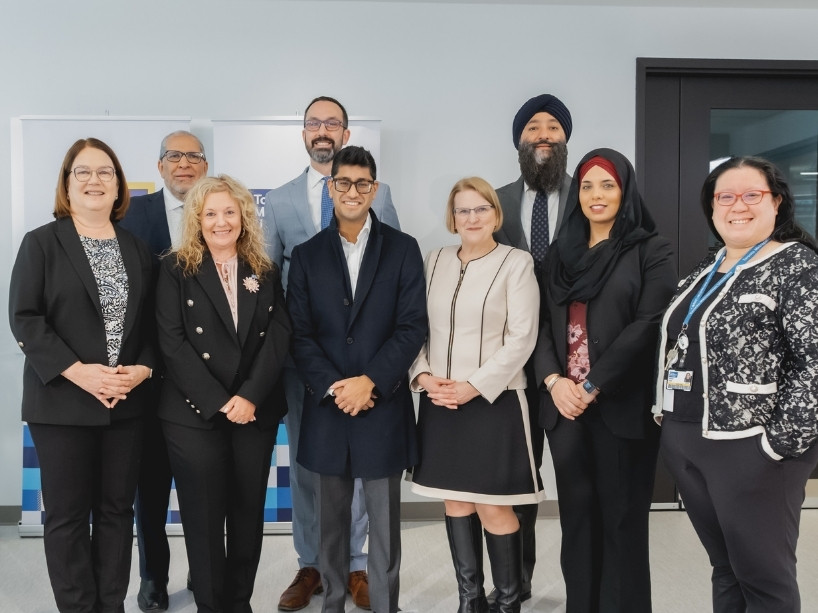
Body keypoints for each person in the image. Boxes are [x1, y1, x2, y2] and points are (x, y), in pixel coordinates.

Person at [653, 156, 818, 612]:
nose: (737, 206)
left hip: (751, 449)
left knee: (764, 578)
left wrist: (777, 446)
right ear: (711, 208)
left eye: (752, 195)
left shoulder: (798, 266)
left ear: (777, 202)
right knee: (726, 568)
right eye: (725, 196)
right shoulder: (707, 269)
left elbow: (815, 365)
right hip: (688, 440)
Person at [264, 95, 400, 611]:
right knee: (310, 468)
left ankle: (358, 565)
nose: (323, 130)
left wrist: (374, 370)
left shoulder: (380, 195)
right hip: (308, 366)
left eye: (333, 123)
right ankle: (312, 564)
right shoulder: (278, 201)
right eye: (314, 123)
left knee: (363, 468)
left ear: (345, 134)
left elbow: (391, 272)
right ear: (303, 133)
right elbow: (272, 282)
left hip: (367, 365)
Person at [9, 137, 155, 612]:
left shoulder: (138, 249)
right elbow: (25, 318)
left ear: (119, 188)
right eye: (83, 172)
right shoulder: (41, 243)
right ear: (67, 185)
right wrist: (81, 374)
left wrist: (140, 370)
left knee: (117, 513)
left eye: (105, 173)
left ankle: (109, 606)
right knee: (68, 517)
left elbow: (158, 325)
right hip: (62, 404)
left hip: (126, 404)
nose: (94, 181)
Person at [534, 149, 676, 612]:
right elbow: (537, 326)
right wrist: (555, 380)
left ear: (625, 190)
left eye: (608, 184)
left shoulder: (650, 250)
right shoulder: (559, 254)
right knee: (577, 521)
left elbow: (649, 324)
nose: (597, 195)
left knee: (622, 523)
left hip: (620, 407)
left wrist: (593, 385)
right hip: (566, 410)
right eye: (588, 185)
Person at [286, 145, 426, 613]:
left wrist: (371, 381)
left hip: (381, 404)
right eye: (343, 182)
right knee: (330, 524)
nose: (352, 191)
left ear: (374, 189)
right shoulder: (306, 257)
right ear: (331, 187)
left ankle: (386, 606)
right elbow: (300, 334)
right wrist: (335, 387)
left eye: (363, 183)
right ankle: (333, 605)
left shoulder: (403, 249)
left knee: (384, 525)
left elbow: (412, 326)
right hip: (328, 408)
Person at [155, 174, 291, 612]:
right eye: (210, 213)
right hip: (194, 412)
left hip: (254, 408)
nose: (220, 221)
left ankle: (239, 603)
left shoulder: (264, 269)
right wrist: (218, 401)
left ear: (244, 216)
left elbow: (279, 335)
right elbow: (171, 342)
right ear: (197, 218)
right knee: (205, 517)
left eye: (229, 212)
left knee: (248, 513)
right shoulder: (175, 269)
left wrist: (249, 395)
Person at [409, 177, 544, 613]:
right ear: (452, 218)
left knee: (494, 508)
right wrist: (424, 378)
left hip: (494, 401)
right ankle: (471, 602)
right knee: (456, 502)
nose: (472, 218)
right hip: (439, 401)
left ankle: (506, 603)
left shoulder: (517, 263)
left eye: (480, 209)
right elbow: (416, 329)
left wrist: (472, 387)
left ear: (495, 215)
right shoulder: (434, 261)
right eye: (463, 210)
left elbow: (522, 339)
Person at [120, 129, 209, 612]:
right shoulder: (132, 216)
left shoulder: (219, 214)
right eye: (174, 156)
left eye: (194, 157)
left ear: (205, 166)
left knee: (204, 486)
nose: (184, 165)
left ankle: (203, 569)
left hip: (209, 378)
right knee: (149, 490)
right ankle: (153, 576)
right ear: (159, 167)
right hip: (149, 378)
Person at [492, 93, 573, 603]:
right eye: (532, 128)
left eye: (553, 127)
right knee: (514, 484)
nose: (543, 134)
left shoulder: (590, 195)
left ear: (566, 138)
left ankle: (583, 583)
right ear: (518, 140)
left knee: (576, 483)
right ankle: (515, 585)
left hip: (569, 368)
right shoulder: (494, 200)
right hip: (508, 370)